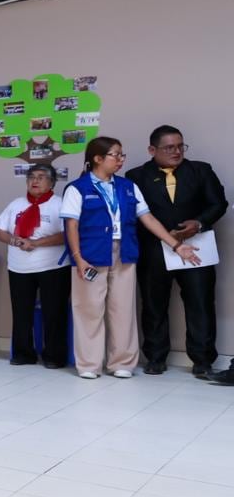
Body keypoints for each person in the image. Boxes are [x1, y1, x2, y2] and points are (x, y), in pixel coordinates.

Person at [62, 136, 199, 380]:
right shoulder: (77, 188)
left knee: (123, 309)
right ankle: (89, 365)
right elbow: (71, 226)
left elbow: (149, 220)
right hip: (90, 256)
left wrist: (177, 246)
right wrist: (78, 258)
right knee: (88, 310)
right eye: (116, 155)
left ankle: (121, 362)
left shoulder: (127, 186)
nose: (121, 159)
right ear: (97, 158)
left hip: (124, 253)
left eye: (121, 155)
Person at [125, 126, 227, 377]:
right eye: (169, 147)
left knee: (200, 303)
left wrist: (199, 223)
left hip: (196, 246)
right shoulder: (135, 175)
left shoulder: (201, 170)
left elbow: (218, 203)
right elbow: (133, 214)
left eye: (180, 146)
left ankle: (203, 360)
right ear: (152, 150)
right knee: (153, 304)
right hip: (153, 249)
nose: (177, 151)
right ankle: (156, 357)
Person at [0, 164, 70, 368]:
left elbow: (67, 235)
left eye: (41, 177)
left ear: (52, 182)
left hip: (53, 267)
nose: (35, 181)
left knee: (54, 313)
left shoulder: (59, 204)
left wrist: (36, 243)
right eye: (32, 177)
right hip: (19, 268)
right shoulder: (16, 204)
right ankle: (23, 354)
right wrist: (14, 241)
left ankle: (54, 356)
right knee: (21, 313)